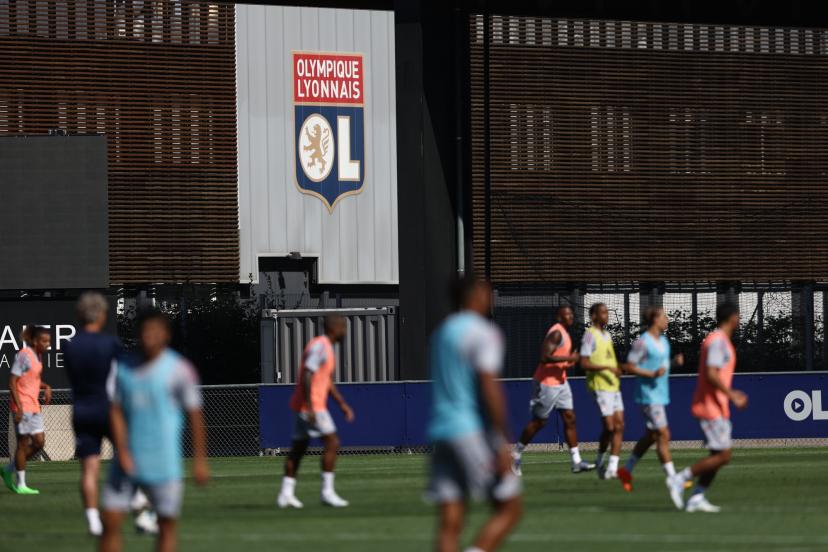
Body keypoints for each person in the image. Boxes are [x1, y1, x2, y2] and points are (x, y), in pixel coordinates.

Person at [100, 309, 209, 552]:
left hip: (164, 463)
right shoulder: (123, 368)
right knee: (110, 521)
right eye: (145, 332)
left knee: (166, 525)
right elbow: (115, 411)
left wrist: (200, 460)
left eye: (155, 332)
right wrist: (123, 450)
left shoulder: (180, 369)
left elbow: (195, 415)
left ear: (166, 335)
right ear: (137, 334)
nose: (150, 337)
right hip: (126, 461)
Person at [427, 276, 522, 552]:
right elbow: (488, 387)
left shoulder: (442, 332)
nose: (490, 296)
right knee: (510, 508)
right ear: (473, 295)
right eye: (486, 291)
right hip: (470, 430)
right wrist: (503, 440)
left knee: (449, 522)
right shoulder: (483, 332)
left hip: (440, 431)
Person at [667, 302, 748, 513]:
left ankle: (697, 497)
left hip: (718, 406)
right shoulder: (718, 341)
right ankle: (679, 479)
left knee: (717, 456)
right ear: (731, 318)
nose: (739, 320)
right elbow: (711, 373)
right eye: (737, 316)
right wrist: (733, 395)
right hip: (710, 406)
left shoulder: (722, 341)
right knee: (724, 456)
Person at [277, 314, 355, 509]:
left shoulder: (325, 347)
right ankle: (327, 492)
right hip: (312, 407)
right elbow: (307, 373)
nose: (344, 331)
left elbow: (326, 380)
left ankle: (286, 494)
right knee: (333, 442)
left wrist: (341, 404)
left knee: (298, 449)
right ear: (334, 328)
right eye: (343, 327)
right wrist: (310, 406)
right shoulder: (321, 346)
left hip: (303, 406)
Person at [63, 292, 123, 535]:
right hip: (107, 408)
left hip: (81, 410)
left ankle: (93, 520)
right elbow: (119, 378)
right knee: (127, 456)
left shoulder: (70, 346)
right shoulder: (110, 344)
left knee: (89, 468)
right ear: (102, 315)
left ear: (79, 315)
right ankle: (138, 502)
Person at [511, 305, 595, 476]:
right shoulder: (556, 333)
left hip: (561, 381)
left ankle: (576, 461)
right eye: (566, 314)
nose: (570, 316)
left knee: (570, 418)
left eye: (571, 314)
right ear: (559, 317)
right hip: (547, 382)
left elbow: (559, 360)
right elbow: (544, 357)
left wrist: (568, 362)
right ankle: (515, 454)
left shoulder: (565, 332)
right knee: (539, 422)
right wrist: (569, 357)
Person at [617, 306, 684, 492]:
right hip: (648, 395)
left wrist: (673, 363)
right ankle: (673, 479)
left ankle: (626, 470)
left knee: (651, 436)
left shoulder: (663, 341)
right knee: (664, 434)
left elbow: (661, 367)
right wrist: (650, 373)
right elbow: (628, 367)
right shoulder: (643, 342)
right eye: (664, 316)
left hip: (661, 394)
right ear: (655, 319)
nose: (667, 319)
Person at [2, 325, 52, 495]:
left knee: (39, 442)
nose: (47, 344)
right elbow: (12, 382)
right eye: (44, 341)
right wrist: (19, 408)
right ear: (35, 341)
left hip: (34, 405)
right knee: (23, 444)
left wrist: (46, 386)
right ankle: (21, 484)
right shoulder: (24, 355)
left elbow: (32, 380)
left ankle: (9, 469)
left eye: (49, 341)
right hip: (22, 406)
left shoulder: (38, 356)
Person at [579, 303, 624, 480]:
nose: (607, 315)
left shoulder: (607, 335)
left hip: (613, 386)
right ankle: (600, 460)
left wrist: (617, 369)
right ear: (594, 316)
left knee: (620, 425)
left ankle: (612, 467)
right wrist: (606, 368)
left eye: (607, 312)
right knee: (610, 426)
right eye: (603, 312)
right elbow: (583, 363)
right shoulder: (590, 335)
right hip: (599, 386)